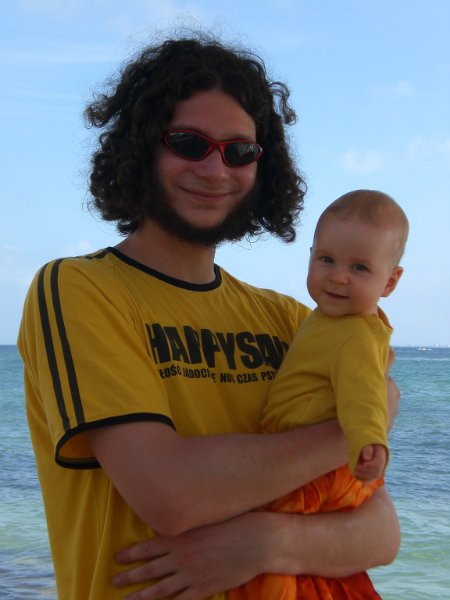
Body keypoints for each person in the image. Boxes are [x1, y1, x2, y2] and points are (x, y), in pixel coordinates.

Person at [17, 35, 401, 600]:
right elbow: (170, 494)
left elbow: (382, 530)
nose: (216, 169)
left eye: (239, 151)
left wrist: (267, 542)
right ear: (142, 147)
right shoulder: (80, 289)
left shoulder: (295, 320)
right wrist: (362, 423)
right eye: (189, 143)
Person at [229, 189, 408, 600]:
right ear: (310, 257)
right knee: (314, 572)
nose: (338, 276)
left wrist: (369, 440)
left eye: (359, 267)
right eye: (326, 260)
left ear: (390, 281)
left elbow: (364, 393)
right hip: (312, 462)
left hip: (317, 471)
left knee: (267, 567)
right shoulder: (326, 320)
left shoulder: (356, 335)